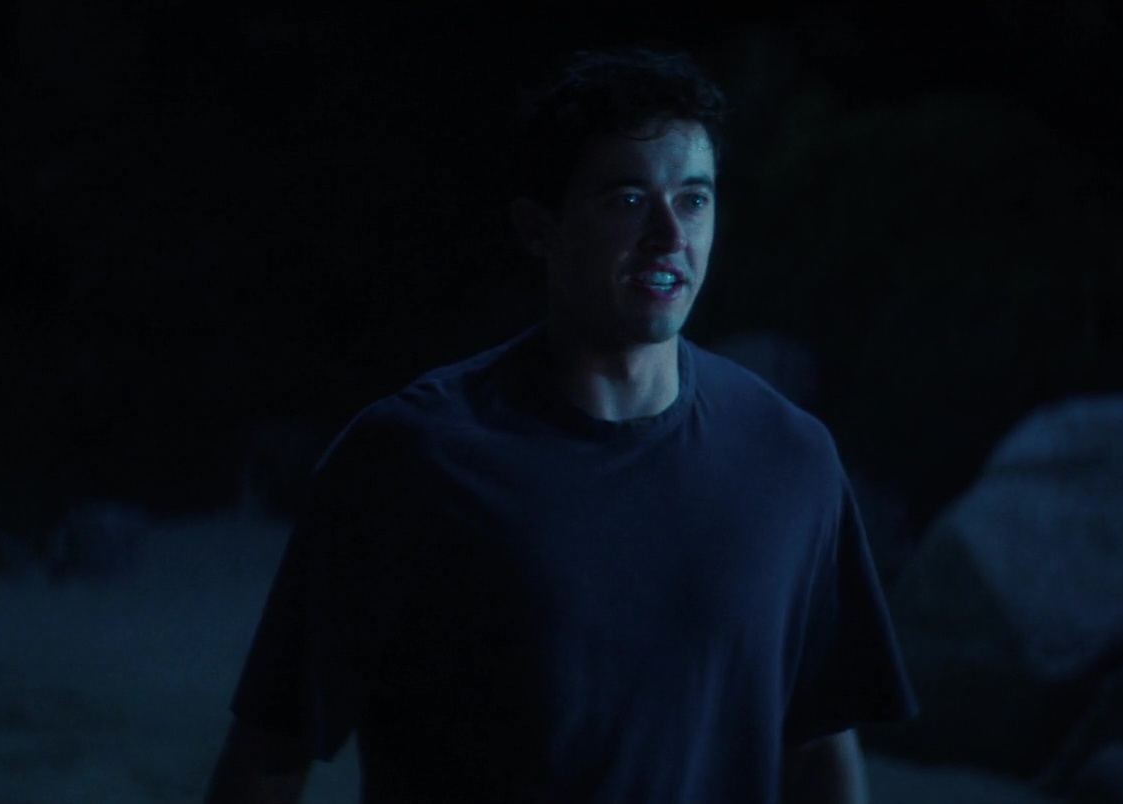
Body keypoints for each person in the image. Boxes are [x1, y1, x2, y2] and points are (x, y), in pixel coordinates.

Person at [204, 47, 918, 804]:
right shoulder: (410, 461)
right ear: (537, 228)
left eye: (694, 199)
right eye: (628, 200)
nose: (669, 235)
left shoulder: (789, 458)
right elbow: (269, 760)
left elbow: (819, 749)